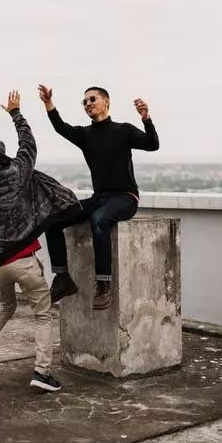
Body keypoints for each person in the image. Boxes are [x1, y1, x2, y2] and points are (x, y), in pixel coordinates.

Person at [0, 90, 80, 392]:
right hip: (23, 260)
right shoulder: (18, 173)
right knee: (43, 315)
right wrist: (16, 113)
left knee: (5, 306)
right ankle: (42, 372)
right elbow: (28, 143)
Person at [37, 84, 159, 310]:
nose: (88, 104)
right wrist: (48, 102)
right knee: (52, 220)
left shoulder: (123, 130)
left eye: (92, 99)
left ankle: (103, 285)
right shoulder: (85, 135)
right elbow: (60, 127)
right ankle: (62, 278)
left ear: (106, 101)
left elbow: (152, 145)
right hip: (100, 198)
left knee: (99, 220)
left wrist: (146, 118)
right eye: (84, 102)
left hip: (125, 197)